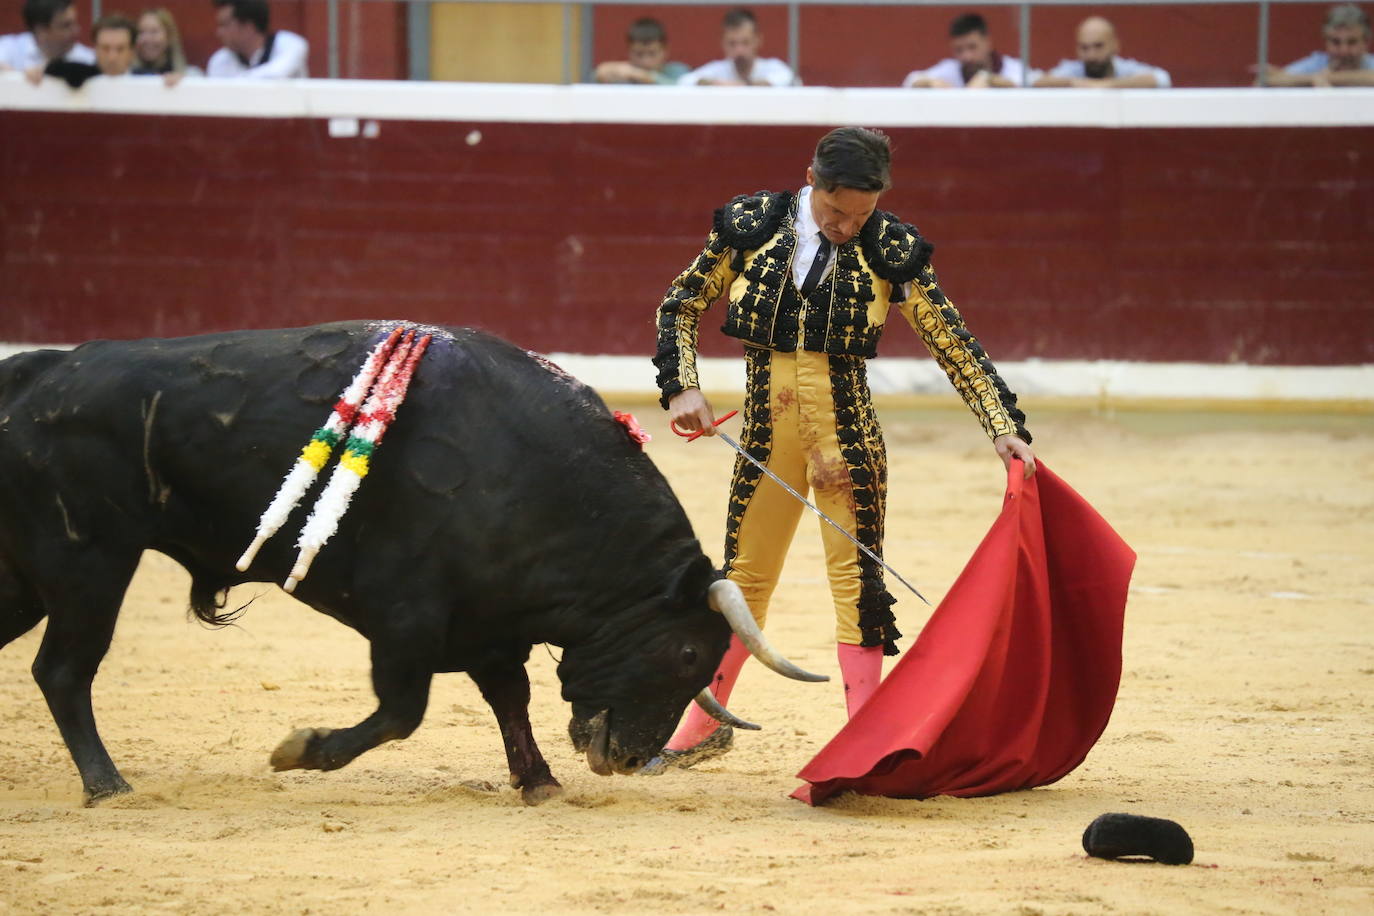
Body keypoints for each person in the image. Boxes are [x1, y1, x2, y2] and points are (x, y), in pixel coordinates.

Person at [646, 127, 1035, 771]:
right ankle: (700, 728)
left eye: (862, 214)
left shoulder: (890, 246)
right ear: (812, 182)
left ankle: (865, 739)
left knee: (858, 583)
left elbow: (951, 340)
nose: (847, 227)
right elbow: (680, 303)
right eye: (835, 211)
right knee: (743, 577)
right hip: (766, 433)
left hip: (847, 437)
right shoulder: (753, 225)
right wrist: (682, 384)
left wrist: (1001, 422)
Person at [1033, 16, 1170, 88]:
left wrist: (1109, 85)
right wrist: (1072, 82)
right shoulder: (1073, 70)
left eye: (1098, 46)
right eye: (1084, 48)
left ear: (1115, 46)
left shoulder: (1124, 68)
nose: (1091, 55)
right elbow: (1034, 80)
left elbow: (1162, 78)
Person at [1257, 3, 1374, 87]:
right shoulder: (1317, 63)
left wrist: (1327, 77)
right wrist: (1312, 78)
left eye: (1352, 42)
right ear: (1326, 42)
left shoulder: (1370, 63)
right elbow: (1264, 81)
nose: (1344, 50)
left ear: (1366, 42)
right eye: (1336, 42)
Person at [902, 12, 1028, 88]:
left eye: (972, 47)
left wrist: (989, 80)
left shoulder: (1013, 68)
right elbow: (910, 80)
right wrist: (930, 83)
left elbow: (1033, 83)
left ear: (987, 42)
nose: (967, 56)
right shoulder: (950, 69)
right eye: (959, 50)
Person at [678, 8, 796, 87]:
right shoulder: (717, 69)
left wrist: (738, 86)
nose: (739, 50)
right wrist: (712, 83)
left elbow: (787, 79)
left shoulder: (773, 67)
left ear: (758, 41)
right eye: (732, 44)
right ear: (723, 43)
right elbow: (685, 81)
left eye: (745, 43)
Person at [25, 13, 136, 87]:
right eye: (105, 48)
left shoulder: (144, 79)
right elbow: (57, 68)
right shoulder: (82, 73)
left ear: (131, 52)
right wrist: (40, 71)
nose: (112, 57)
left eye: (120, 49)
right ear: (95, 49)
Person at [207, 0, 308, 79]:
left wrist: (236, 83)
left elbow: (276, 75)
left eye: (225, 25)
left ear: (248, 26)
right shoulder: (220, 60)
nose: (219, 33)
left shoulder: (290, 44)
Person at [0, 0, 95, 72]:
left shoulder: (88, 60)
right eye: (66, 25)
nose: (76, 30)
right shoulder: (9, 49)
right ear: (41, 31)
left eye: (74, 23)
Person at [591, 17, 688, 85]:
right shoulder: (624, 73)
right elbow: (595, 76)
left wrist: (646, 77)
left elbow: (683, 87)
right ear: (629, 52)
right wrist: (605, 70)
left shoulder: (678, 71)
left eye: (652, 53)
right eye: (639, 54)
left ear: (665, 51)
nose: (645, 61)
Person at [134, 7, 198, 78]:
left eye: (154, 32)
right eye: (141, 32)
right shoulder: (127, 75)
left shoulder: (191, 76)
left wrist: (182, 82)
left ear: (169, 36)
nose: (147, 38)